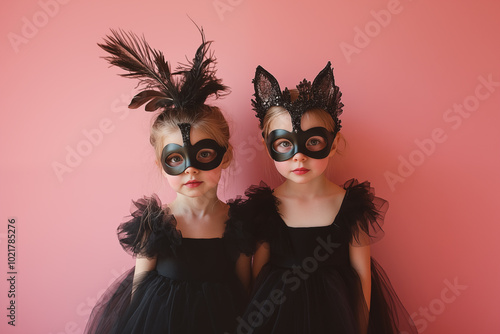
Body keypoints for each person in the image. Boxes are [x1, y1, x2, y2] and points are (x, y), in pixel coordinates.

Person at [84, 27, 252, 334]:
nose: (190, 170)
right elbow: (138, 297)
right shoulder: (156, 224)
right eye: (176, 159)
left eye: (203, 155)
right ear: (162, 165)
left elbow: (246, 292)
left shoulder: (237, 224)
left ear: (225, 156)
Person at [231, 63, 417, 333]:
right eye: (284, 143)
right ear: (266, 144)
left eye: (313, 141)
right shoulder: (266, 207)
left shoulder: (350, 206)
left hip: (337, 317)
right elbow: (258, 275)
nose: (299, 156)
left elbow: (363, 276)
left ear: (335, 142)